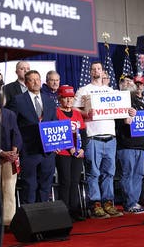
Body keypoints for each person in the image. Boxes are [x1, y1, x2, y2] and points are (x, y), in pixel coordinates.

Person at [73, 62, 123, 218]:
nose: (96, 71)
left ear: (103, 72)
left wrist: (128, 110)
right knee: (93, 172)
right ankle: (95, 204)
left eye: (99, 69)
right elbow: (74, 109)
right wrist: (86, 113)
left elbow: (120, 109)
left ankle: (108, 203)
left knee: (109, 172)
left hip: (110, 136)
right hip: (93, 136)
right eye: (93, 69)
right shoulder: (84, 90)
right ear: (90, 72)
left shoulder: (110, 91)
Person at [8, 70, 57, 204]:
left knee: (45, 185)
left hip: (47, 152)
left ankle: (44, 216)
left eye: (38, 79)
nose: (36, 82)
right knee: (29, 186)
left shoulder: (49, 101)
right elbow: (12, 125)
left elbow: (55, 123)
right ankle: (30, 217)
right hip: (28, 151)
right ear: (26, 82)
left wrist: (56, 144)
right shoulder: (17, 100)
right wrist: (15, 146)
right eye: (32, 80)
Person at [54, 85, 86, 221]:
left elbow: (83, 133)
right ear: (59, 99)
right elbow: (55, 133)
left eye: (71, 98)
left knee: (75, 181)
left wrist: (82, 148)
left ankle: (74, 210)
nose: (68, 101)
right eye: (65, 98)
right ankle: (64, 212)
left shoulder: (77, 114)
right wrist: (69, 148)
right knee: (65, 181)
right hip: (63, 153)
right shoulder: (56, 113)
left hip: (78, 153)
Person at [115, 78, 144, 214]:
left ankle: (135, 202)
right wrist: (123, 120)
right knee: (127, 174)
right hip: (125, 143)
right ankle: (129, 203)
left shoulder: (140, 102)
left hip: (140, 144)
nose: (128, 83)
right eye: (124, 81)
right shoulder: (115, 100)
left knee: (138, 174)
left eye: (130, 81)